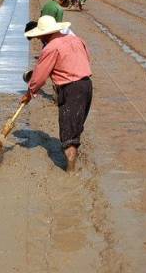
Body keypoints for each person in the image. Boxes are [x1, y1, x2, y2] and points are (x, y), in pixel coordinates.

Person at [22, 15, 93, 173]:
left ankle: (70, 175)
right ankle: (73, 163)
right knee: (75, 127)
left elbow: (39, 76)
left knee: (68, 135)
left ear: (46, 33)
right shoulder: (77, 40)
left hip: (71, 89)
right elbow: (87, 59)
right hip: (87, 85)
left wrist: (29, 92)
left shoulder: (51, 47)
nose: (39, 38)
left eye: (39, 35)